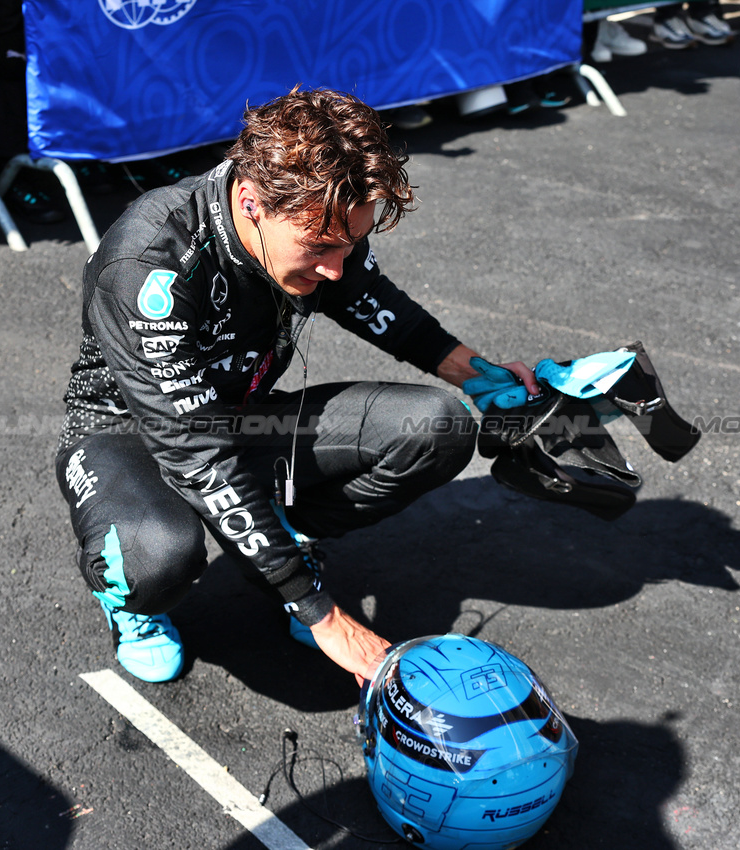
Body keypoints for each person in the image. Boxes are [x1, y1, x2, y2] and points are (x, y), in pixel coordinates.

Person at [54, 88, 539, 685]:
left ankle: (280, 537)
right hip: (125, 434)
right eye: (319, 250)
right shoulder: (149, 262)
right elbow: (195, 453)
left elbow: (378, 307)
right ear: (252, 202)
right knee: (160, 557)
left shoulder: (315, 221)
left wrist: (484, 378)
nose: (336, 269)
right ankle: (132, 603)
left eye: (351, 245)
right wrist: (322, 613)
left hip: (241, 417)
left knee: (439, 425)